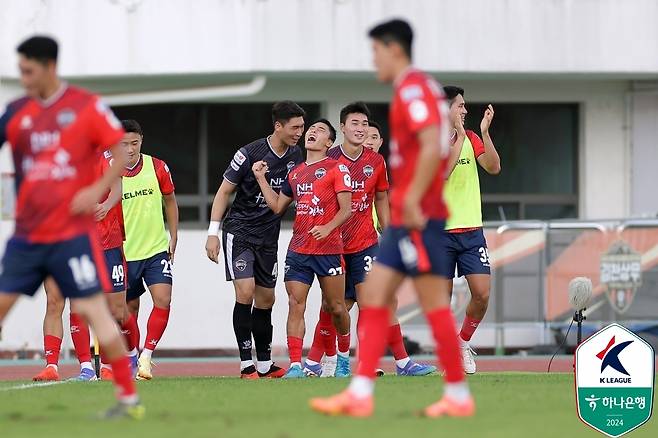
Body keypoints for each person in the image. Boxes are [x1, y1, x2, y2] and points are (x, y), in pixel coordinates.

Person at [310, 19, 474, 418]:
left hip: (417, 217)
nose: (374, 61)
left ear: (393, 48)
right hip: (412, 217)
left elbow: (430, 138)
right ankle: (366, 391)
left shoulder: (412, 88)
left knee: (415, 302)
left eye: (375, 52)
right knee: (379, 298)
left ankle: (451, 394)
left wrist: (414, 198)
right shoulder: (417, 87)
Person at [0, 36, 143, 419]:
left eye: (29, 70)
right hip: (28, 236)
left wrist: (97, 190)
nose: (24, 78)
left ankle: (128, 401)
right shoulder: (16, 111)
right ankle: (55, 362)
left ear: (50, 66)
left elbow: (118, 151)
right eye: (21, 70)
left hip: (72, 238)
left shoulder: (85, 106)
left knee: (97, 311)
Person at [305, 104, 436, 378]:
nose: (361, 128)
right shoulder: (327, 159)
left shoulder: (376, 162)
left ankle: (384, 362)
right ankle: (315, 361)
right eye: (354, 123)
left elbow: (381, 199)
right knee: (334, 305)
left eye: (364, 123)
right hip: (334, 245)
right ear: (342, 127)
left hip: (365, 243)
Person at [205, 101, 304, 379]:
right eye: (294, 127)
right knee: (245, 292)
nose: (299, 132)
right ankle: (245, 364)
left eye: (302, 127)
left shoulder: (297, 156)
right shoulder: (249, 153)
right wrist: (213, 233)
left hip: (268, 238)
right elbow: (224, 192)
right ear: (278, 126)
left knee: (266, 299)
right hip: (240, 232)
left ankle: (264, 363)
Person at [252, 119, 352, 379]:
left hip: (329, 249)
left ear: (329, 142)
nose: (312, 133)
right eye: (311, 129)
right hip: (299, 250)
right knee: (295, 303)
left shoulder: (337, 168)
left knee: (336, 307)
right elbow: (277, 206)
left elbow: (346, 209)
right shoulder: (295, 173)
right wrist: (261, 179)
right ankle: (296, 364)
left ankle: (343, 358)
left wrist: (328, 227)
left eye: (320, 131)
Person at [31, 153, 139, 382]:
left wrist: (106, 205)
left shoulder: (103, 153)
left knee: (115, 309)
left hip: (106, 241)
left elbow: (117, 184)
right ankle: (73, 367)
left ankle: (116, 362)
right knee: (58, 301)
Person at [441, 85, 501, 374]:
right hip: (438, 232)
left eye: (464, 106)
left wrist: (485, 133)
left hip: (471, 231)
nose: (464, 110)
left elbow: (493, 167)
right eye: (459, 105)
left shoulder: (472, 137)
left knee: (482, 293)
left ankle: (462, 343)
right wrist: (460, 136)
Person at [120, 119, 178, 380]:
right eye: (124, 144)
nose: (130, 149)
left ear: (141, 140)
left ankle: (147, 355)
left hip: (155, 249)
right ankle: (132, 356)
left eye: (134, 143)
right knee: (128, 310)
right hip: (124, 252)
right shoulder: (109, 172)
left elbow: (170, 200)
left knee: (163, 299)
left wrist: (173, 235)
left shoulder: (157, 167)